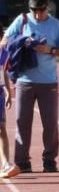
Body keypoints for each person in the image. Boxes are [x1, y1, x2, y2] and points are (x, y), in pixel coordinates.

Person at [1, 0, 59, 173]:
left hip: (48, 82)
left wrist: (49, 49)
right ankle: (22, 161)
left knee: (50, 123)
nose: (37, 14)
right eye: (34, 10)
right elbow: (4, 42)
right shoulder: (22, 20)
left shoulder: (56, 25)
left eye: (41, 10)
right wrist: (21, 42)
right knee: (22, 122)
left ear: (47, 7)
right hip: (24, 79)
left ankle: (49, 159)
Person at [0, 46, 16, 179]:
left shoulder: (3, 53)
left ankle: (5, 163)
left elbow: (3, 73)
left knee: (1, 129)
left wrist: (8, 93)